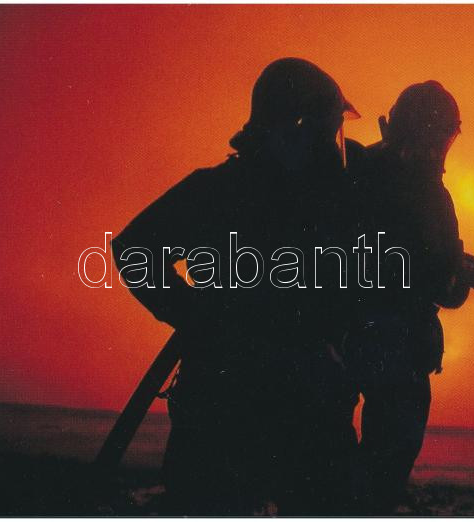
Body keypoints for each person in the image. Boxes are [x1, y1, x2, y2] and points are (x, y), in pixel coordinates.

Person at [112, 58, 361, 515]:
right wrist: (200, 319)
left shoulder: (318, 202)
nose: (331, 146)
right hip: (231, 409)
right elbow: (135, 250)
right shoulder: (221, 192)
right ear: (292, 130)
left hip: (295, 408)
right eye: (325, 132)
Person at [346, 81, 474, 513]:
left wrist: (456, 266)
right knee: (385, 467)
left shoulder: (352, 170)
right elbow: (442, 288)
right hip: (395, 350)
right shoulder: (429, 196)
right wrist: (461, 274)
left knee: (335, 462)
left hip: (344, 342)